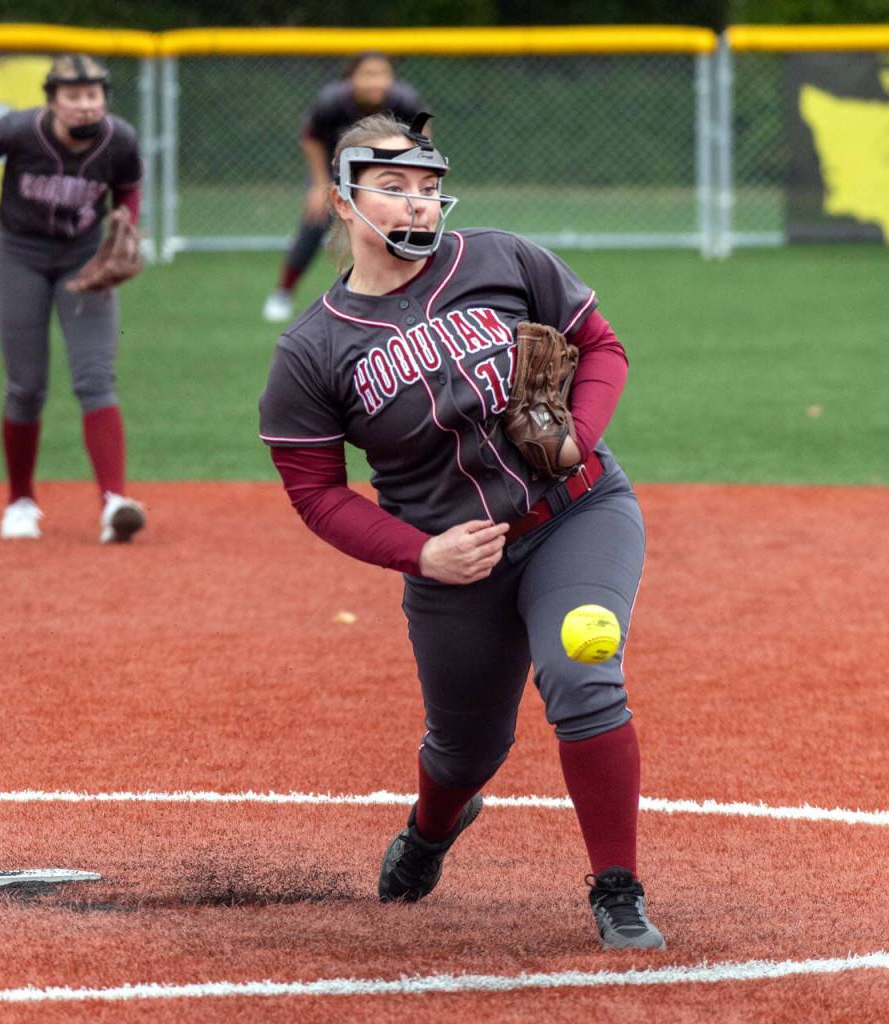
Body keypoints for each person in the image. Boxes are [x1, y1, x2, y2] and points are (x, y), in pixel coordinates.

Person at [258, 113, 665, 951]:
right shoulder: (313, 349)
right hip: (455, 564)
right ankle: (432, 828)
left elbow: (600, 345)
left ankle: (617, 888)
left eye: (428, 186)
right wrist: (421, 553)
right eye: (393, 187)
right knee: (464, 750)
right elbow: (316, 494)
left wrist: (579, 435)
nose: (418, 202)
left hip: (575, 512)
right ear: (344, 201)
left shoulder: (501, 258)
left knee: (582, 673)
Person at [0, 54, 146, 543]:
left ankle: (114, 503)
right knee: (26, 385)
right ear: (52, 100)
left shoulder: (120, 138)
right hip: (20, 256)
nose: (85, 104)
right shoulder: (20, 131)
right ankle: (20, 501)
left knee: (95, 376)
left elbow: (128, 186)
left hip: (84, 259)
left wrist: (125, 224)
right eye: (73, 95)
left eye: (93, 94)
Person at [261, 51, 424, 324]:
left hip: (387, 177)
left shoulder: (403, 100)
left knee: (401, 227)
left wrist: (416, 179)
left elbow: (422, 137)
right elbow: (311, 139)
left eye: (383, 74)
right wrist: (319, 185)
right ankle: (283, 293)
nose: (376, 81)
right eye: (368, 74)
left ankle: (408, 294)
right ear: (351, 78)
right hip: (336, 173)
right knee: (314, 224)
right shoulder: (333, 102)